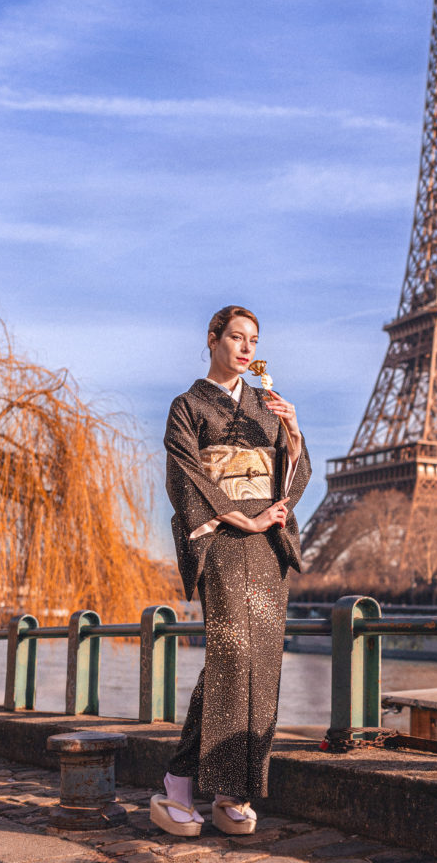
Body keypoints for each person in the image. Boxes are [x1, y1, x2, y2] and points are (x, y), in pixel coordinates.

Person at [150, 305, 311, 837]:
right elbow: (186, 471)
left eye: (254, 340)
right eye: (236, 337)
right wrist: (240, 515)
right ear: (213, 339)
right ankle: (177, 783)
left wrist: (291, 434)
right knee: (230, 654)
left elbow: (294, 473)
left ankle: (229, 791)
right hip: (222, 539)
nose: (246, 348)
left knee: (260, 662)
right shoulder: (188, 405)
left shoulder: (267, 404)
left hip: (266, 546)